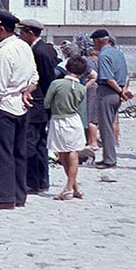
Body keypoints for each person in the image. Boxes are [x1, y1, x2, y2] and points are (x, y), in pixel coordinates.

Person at [0, 9, 38, 211]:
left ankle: (4, 197)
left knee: (0, 154)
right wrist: (26, 91)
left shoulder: (4, 52)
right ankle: (18, 194)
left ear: (0, 28)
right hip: (20, 107)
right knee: (17, 153)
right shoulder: (24, 47)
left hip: (2, 107)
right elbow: (34, 78)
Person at [18, 19, 56, 194]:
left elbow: (48, 80)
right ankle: (41, 180)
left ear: (30, 33)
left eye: (23, 32)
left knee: (31, 142)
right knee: (40, 143)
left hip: (38, 103)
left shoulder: (40, 52)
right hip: (40, 103)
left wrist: (48, 104)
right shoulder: (38, 49)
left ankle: (32, 181)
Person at [45, 56, 88, 201]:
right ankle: (73, 187)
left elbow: (47, 103)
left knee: (63, 154)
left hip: (58, 119)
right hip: (73, 119)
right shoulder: (82, 88)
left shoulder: (56, 84)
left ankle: (69, 188)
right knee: (73, 152)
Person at [91, 29, 129, 170]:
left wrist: (119, 91)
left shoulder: (104, 55)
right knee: (110, 124)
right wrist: (123, 90)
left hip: (107, 92)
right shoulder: (118, 53)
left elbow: (107, 77)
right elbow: (126, 75)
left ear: (97, 41)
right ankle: (109, 157)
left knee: (105, 127)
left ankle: (109, 159)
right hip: (118, 92)